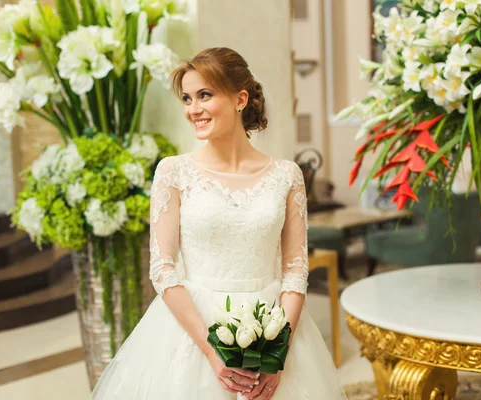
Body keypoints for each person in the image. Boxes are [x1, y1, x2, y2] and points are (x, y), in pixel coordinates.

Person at [91, 47, 347, 400]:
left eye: (204, 95)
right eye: (187, 98)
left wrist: (276, 353)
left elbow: (295, 271)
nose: (193, 109)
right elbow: (163, 270)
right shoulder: (173, 172)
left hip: (273, 324)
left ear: (240, 99)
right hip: (193, 330)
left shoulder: (287, 175)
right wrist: (213, 353)